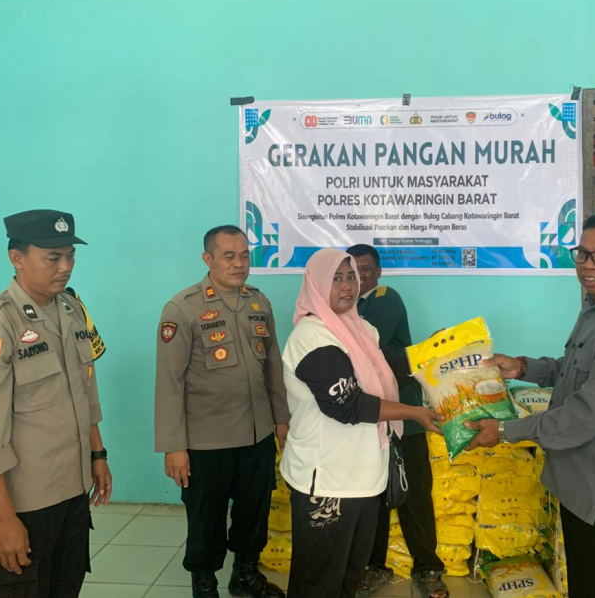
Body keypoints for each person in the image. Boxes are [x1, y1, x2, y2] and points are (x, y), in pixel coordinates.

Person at [464, 211, 595, 598]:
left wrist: (505, 431)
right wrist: (522, 367)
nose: (589, 265)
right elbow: (573, 370)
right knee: (585, 582)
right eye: (583, 254)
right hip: (581, 481)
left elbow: (586, 414)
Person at [0, 210, 113, 597]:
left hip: (73, 492)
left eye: (70, 257)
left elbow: (85, 392)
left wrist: (98, 454)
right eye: (53, 258)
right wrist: (2, 519)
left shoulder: (72, 311)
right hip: (24, 502)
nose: (65, 267)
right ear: (17, 258)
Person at [280, 249, 443, 598]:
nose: (347, 286)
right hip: (327, 479)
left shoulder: (362, 328)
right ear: (316, 285)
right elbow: (348, 405)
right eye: (336, 278)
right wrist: (414, 413)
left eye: (351, 276)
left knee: (350, 574)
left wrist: (435, 349)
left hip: (365, 476)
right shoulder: (312, 337)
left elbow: (393, 368)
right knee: (319, 580)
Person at [154, 225, 289, 598]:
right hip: (205, 440)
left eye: (244, 255)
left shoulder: (258, 302)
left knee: (253, 512)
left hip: (257, 434)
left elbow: (272, 366)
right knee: (206, 518)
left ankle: (244, 575)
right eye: (229, 256)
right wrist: (173, 446)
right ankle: (204, 583)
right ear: (208, 259)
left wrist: (281, 418)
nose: (239, 263)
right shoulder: (182, 308)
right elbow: (169, 382)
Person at [346, 245, 447, 598]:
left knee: (414, 494)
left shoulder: (384, 299)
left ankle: (428, 568)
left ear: (378, 273)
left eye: (366, 269)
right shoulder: (345, 308)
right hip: (369, 417)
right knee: (372, 496)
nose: (359, 277)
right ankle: (374, 567)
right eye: (352, 270)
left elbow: (362, 345)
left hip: (406, 416)